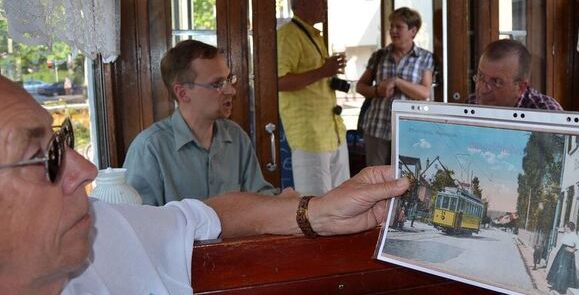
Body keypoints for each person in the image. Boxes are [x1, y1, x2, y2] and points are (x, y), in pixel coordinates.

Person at [0, 74, 410, 293]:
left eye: (63, 141)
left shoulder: (105, 232)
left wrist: (317, 211)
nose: (86, 169)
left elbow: (210, 216)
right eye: (45, 157)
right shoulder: (150, 146)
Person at [124, 40, 275, 206]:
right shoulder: (149, 148)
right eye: (217, 84)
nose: (231, 90)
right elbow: (138, 222)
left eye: (229, 79)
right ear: (182, 93)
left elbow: (261, 199)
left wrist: (284, 202)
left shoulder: (236, 136)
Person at [277, 0, 350, 195]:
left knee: (342, 199)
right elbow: (279, 82)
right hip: (309, 136)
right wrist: (323, 72)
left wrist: (328, 73)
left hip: (333, 132)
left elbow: (317, 78)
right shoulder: (287, 35)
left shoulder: (314, 35)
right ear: (302, 2)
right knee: (316, 207)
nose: (325, 8)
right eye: (321, 2)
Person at [355, 7, 434, 166]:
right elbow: (360, 87)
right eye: (391, 26)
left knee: (404, 181)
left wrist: (397, 81)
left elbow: (424, 93)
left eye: (399, 27)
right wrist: (378, 91)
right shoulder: (379, 56)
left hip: (409, 131)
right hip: (376, 128)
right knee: (375, 181)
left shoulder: (425, 57)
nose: (393, 31)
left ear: (413, 30)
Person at [466, 39, 562, 110]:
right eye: (481, 77)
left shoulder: (547, 113)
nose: (482, 90)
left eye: (496, 82)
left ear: (520, 87)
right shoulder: (471, 103)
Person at [546, 222, 579, 294]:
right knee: (558, 268)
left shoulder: (574, 235)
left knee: (563, 271)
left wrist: (572, 250)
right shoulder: (566, 234)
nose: (564, 227)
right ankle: (556, 286)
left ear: (568, 227)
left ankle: (560, 288)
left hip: (567, 255)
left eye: (565, 226)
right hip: (562, 252)